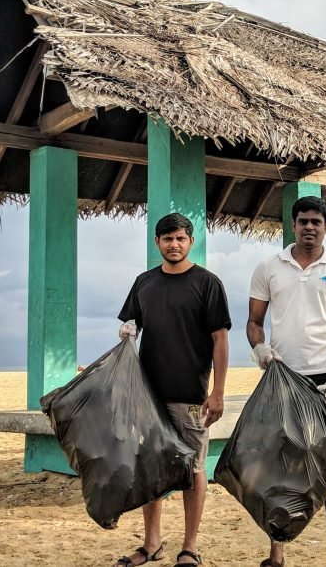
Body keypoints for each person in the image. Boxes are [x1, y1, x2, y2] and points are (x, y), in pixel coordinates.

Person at [247, 196, 326, 567]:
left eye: (317, 221)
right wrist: (260, 348)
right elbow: (254, 322)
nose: (309, 227)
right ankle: (276, 553)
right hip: (283, 378)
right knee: (280, 465)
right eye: (303, 221)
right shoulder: (269, 267)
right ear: (292, 225)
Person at [114, 213, 231, 567]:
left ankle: (190, 546)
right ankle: (151, 544)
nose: (174, 245)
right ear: (157, 243)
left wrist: (218, 392)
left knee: (193, 468)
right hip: (148, 397)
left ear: (190, 241)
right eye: (167, 239)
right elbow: (130, 326)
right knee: (151, 469)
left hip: (192, 395)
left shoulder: (208, 283)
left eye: (180, 238)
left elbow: (220, 339)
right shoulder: (144, 283)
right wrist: (128, 331)